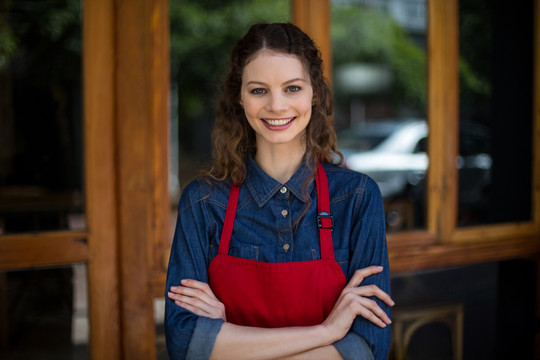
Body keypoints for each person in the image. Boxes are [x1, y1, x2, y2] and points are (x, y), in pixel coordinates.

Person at [165, 22, 394, 360]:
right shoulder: (202, 202)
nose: (276, 106)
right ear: (239, 97)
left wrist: (229, 340)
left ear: (313, 92)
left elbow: (367, 347)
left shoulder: (358, 198)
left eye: (292, 88)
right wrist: (326, 332)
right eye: (259, 90)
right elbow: (185, 344)